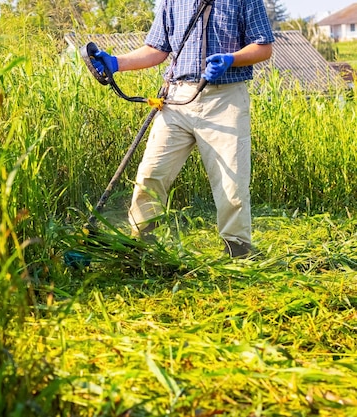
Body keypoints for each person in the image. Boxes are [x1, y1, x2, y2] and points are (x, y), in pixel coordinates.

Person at [91, 0, 274, 258]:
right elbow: (156, 49)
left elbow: (263, 46)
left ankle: (238, 251)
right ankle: (143, 244)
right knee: (151, 174)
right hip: (177, 97)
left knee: (232, 184)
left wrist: (232, 59)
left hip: (225, 98)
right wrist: (116, 63)